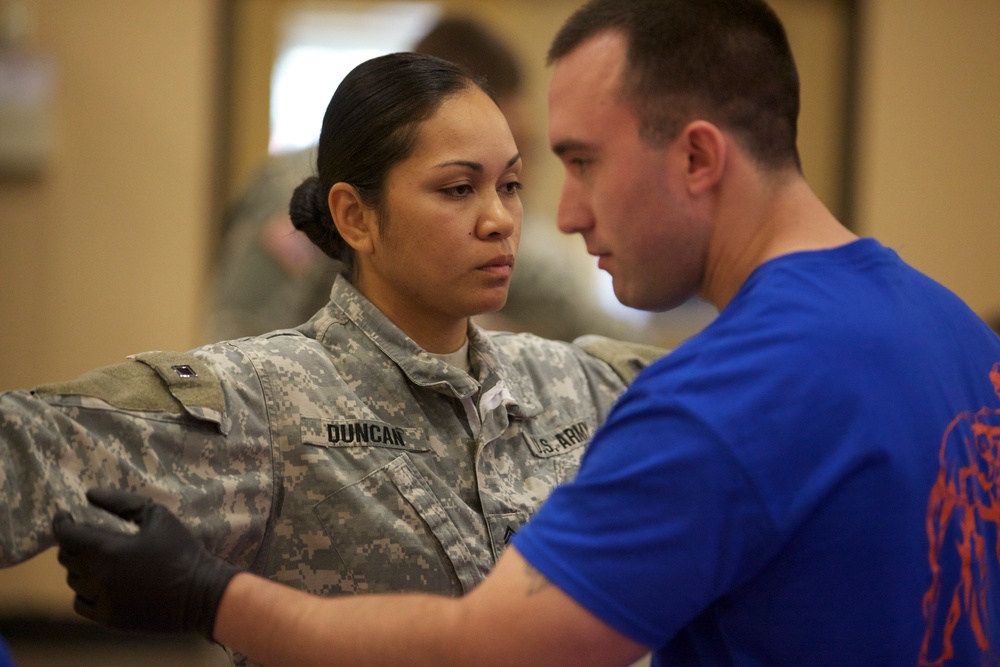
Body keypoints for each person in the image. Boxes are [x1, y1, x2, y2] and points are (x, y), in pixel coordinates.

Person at [50, 0, 1000, 665]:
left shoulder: (715, 397)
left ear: (700, 156)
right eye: (463, 187)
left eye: (570, 165)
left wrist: (207, 595)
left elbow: (494, 647)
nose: (555, 214)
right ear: (353, 213)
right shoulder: (956, 334)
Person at [0, 51, 663, 667]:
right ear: (355, 216)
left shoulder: (570, 382)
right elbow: (26, 446)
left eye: (511, 185)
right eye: (459, 189)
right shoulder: (269, 398)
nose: (500, 219)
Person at [206, 15, 650, 344]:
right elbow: (241, 333)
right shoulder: (301, 183)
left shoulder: (492, 224)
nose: (501, 210)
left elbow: (564, 309)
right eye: (459, 186)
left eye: (511, 174)